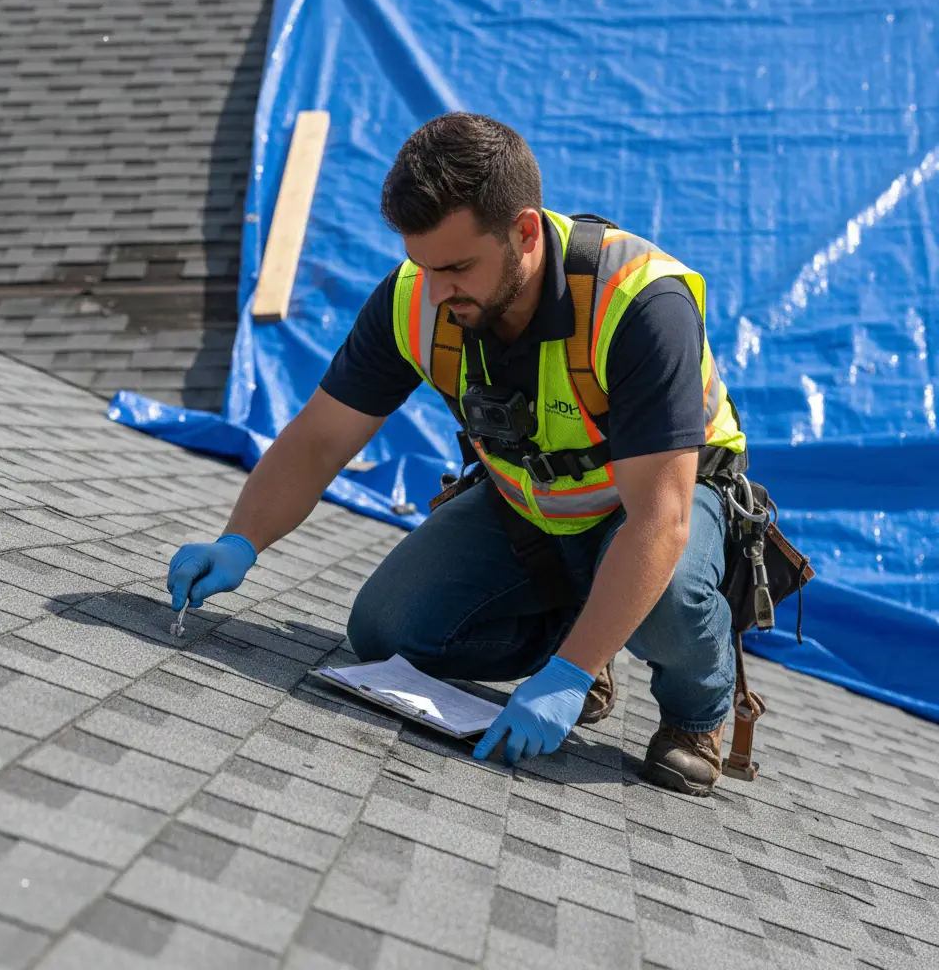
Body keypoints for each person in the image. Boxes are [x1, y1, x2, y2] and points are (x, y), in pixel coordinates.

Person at [167, 112, 749, 796]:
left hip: (657, 511)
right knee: (385, 631)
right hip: (530, 512)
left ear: (525, 232)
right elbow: (322, 436)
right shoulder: (416, 298)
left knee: (670, 589)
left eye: (458, 266)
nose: (438, 290)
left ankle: (694, 712)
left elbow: (662, 519)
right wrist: (240, 541)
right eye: (423, 265)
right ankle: (583, 640)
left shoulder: (639, 304)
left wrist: (564, 678)